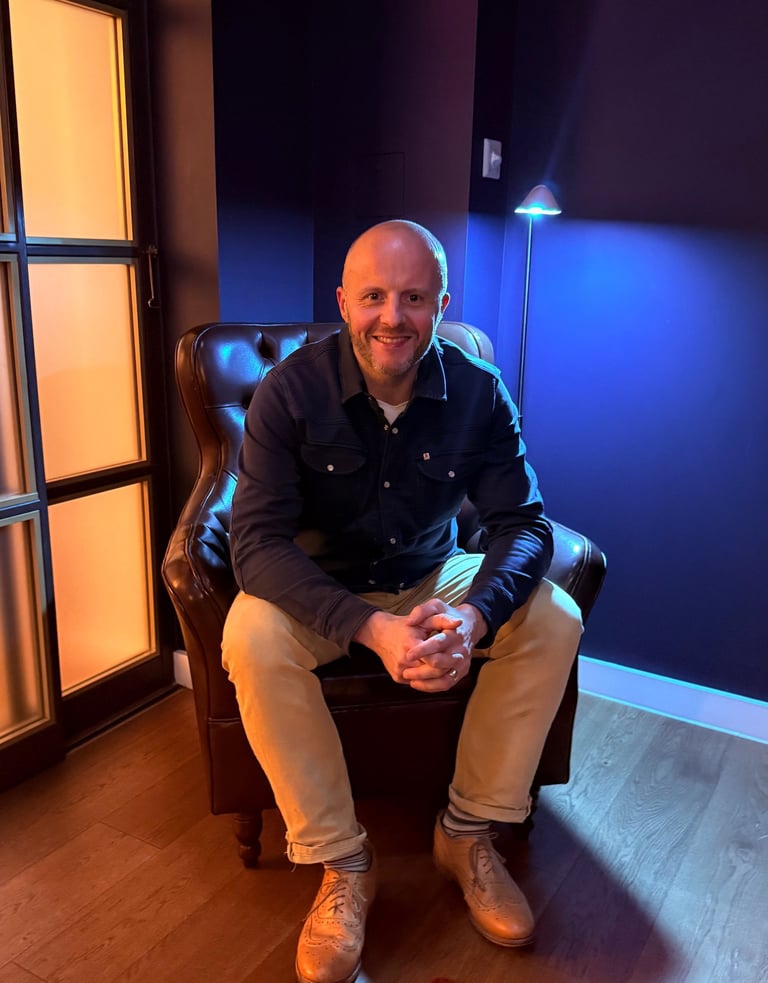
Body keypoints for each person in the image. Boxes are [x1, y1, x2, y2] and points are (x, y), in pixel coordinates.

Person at [222, 220, 583, 983]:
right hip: (325, 591)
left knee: (554, 616)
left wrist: (474, 616)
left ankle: (468, 831)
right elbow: (254, 542)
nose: (393, 316)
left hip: (432, 575)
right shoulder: (290, 391)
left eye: (414, 297)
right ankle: (343, 861)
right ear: (343, 302)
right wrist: (371, 627)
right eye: (375, 296)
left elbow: (523, 524)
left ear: (441, 305)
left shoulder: (480, 392)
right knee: (250, 632)